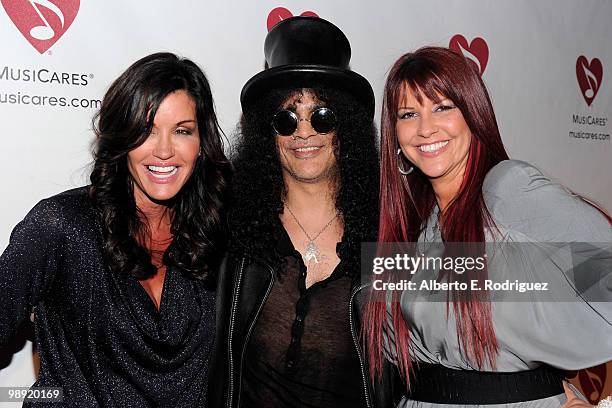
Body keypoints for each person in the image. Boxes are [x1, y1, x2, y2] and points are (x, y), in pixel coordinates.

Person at [363, 46, 612, 407]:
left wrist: (560, 386)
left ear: (473, 113)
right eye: (407, 114)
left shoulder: (506, 189)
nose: (425, 128)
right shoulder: (415, 222)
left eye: (442, 107)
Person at [0, 52, 231, 406]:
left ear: (201, 144)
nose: (165, 150)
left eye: (182, 131)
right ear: (122, 137)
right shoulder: (62, 225)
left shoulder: (217, 232)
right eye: (147, 130)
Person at [208, 16, 384, 408]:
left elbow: (458, 335)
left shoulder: (390, 234)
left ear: (347, 127)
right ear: (267, 134)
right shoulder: (230, 231)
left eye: (322, 116)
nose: (304, 133)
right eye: (286, 119)